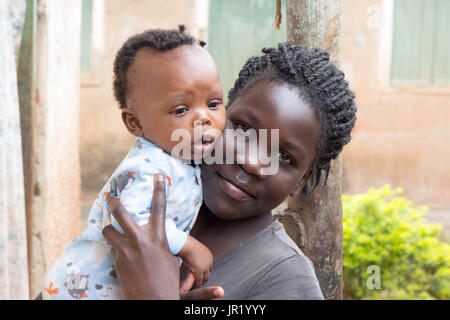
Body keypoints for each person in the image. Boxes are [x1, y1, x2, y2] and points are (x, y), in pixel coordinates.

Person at [100, 43, 357, 300]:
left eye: (283, 157)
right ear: (219, 112)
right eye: (243, 129)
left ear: (302, 179)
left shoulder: (285, 280)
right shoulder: (148, 191)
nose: (252, 163)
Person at [40, 26, 226, 299]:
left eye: (214, 104)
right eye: (181, 110)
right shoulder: (148, 166)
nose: (204, 118)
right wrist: (188, 246)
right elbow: (128, 219)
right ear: (135, 123)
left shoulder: (183, 158)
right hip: (83, 291)